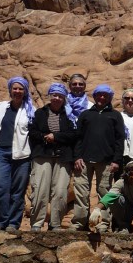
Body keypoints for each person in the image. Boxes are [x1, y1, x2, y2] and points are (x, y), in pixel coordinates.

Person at [72, 84, 125, 232]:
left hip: (106, 161)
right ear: (94, 97)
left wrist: (116, 160)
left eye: (105, 95)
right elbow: (78, 138)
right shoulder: (85, 114)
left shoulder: (115, 115)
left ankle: (103, 224)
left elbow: (119, 139)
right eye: (99, 95)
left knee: (104, 192)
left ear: (110, 98)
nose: (102, 97)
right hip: (84, 160)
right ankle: (80, 223)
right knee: (81, 192)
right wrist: (77, 157)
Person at [0, 77, 35, 231]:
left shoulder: (30, 111)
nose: (17, 91)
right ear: (10, 90)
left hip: (22, 155)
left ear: (25, 91)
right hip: (1, 153)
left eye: (21, 89)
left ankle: (13, 223)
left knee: (17, 191)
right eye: (15, 88)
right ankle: (0, 221)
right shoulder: (1, 107)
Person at [29, 83, 79, 231]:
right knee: (40, 189)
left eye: (60, 96)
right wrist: (45, 137)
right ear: (50, 96)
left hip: (63, 157)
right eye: (55, 95)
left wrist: (56, 137)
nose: (57, 98)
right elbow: (32, 132)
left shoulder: (69, 115)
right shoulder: (40, 113)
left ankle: (55, 223)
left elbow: (73, 135)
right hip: (42, 155)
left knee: (60, 191)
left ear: (64, 98)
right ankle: (37, 223)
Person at [89, 160, 133, 234]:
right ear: (126, 175)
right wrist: (97, 209)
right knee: (115, 200)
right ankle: (124, 226)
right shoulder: (121, 182)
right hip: (128, 211)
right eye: (131, 174)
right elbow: (110, 195)